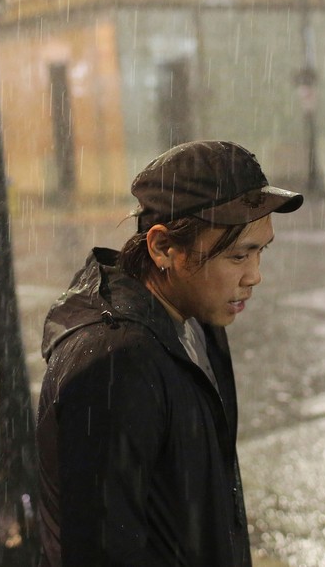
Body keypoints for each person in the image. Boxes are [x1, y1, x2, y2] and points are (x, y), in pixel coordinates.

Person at [37, 140, 303, 566]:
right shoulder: (114, 364)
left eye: (260, 250)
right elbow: (100, 550)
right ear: (163, 249)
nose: (255, 276)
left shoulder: (196, 315)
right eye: (238, 255)